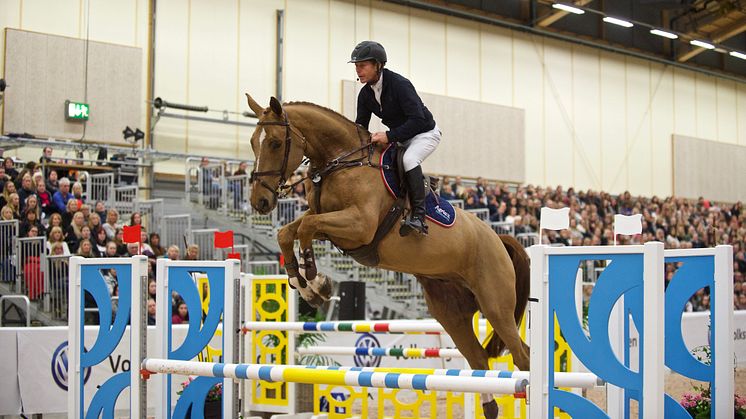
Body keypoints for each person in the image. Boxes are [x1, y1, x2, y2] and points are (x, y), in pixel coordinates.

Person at [350, 41, 440, 235]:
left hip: (424, 133)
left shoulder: (400, 84)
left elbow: (418, 120)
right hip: (401, 137)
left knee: (409, 159)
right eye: (356, 66)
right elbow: (360, 127)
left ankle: (418, 217)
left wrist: (388, 135)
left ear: (378, 65)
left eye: (363, 65)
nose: (358, 70)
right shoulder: (365, 95)